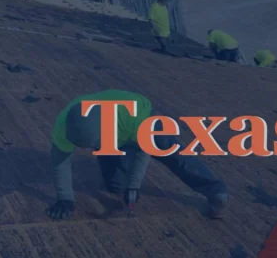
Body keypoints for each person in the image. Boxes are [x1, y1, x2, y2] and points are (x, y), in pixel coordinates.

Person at [47, 90, 229, 220]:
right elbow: (60, 163)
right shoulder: (64, 126)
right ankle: (120, 165)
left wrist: (134, 186)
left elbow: (144, 151)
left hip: (140, 119)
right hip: (117, 132)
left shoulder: (134, 120)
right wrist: (65, 199)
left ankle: (215, 191)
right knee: (115, 186)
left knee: (176, 156)